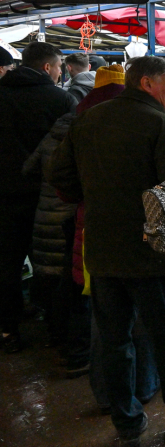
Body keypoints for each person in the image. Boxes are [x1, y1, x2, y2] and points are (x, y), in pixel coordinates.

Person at [47, 56, 165, 446]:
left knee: (114, 340)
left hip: (103, 252)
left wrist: (96, 199)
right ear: (147, 83)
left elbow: (59, 174)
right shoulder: (164, 127)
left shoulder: (89, 119)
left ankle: (127, 420)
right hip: (152, 255)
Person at [0, 41, 75, 353]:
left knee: (7, 261)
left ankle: (8, 328)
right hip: (46, 196)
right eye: (59, 67)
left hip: (4, 195)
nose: (60, 72)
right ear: (48, 67)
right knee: (52, 262)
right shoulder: (59, 98)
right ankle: (55, 326)